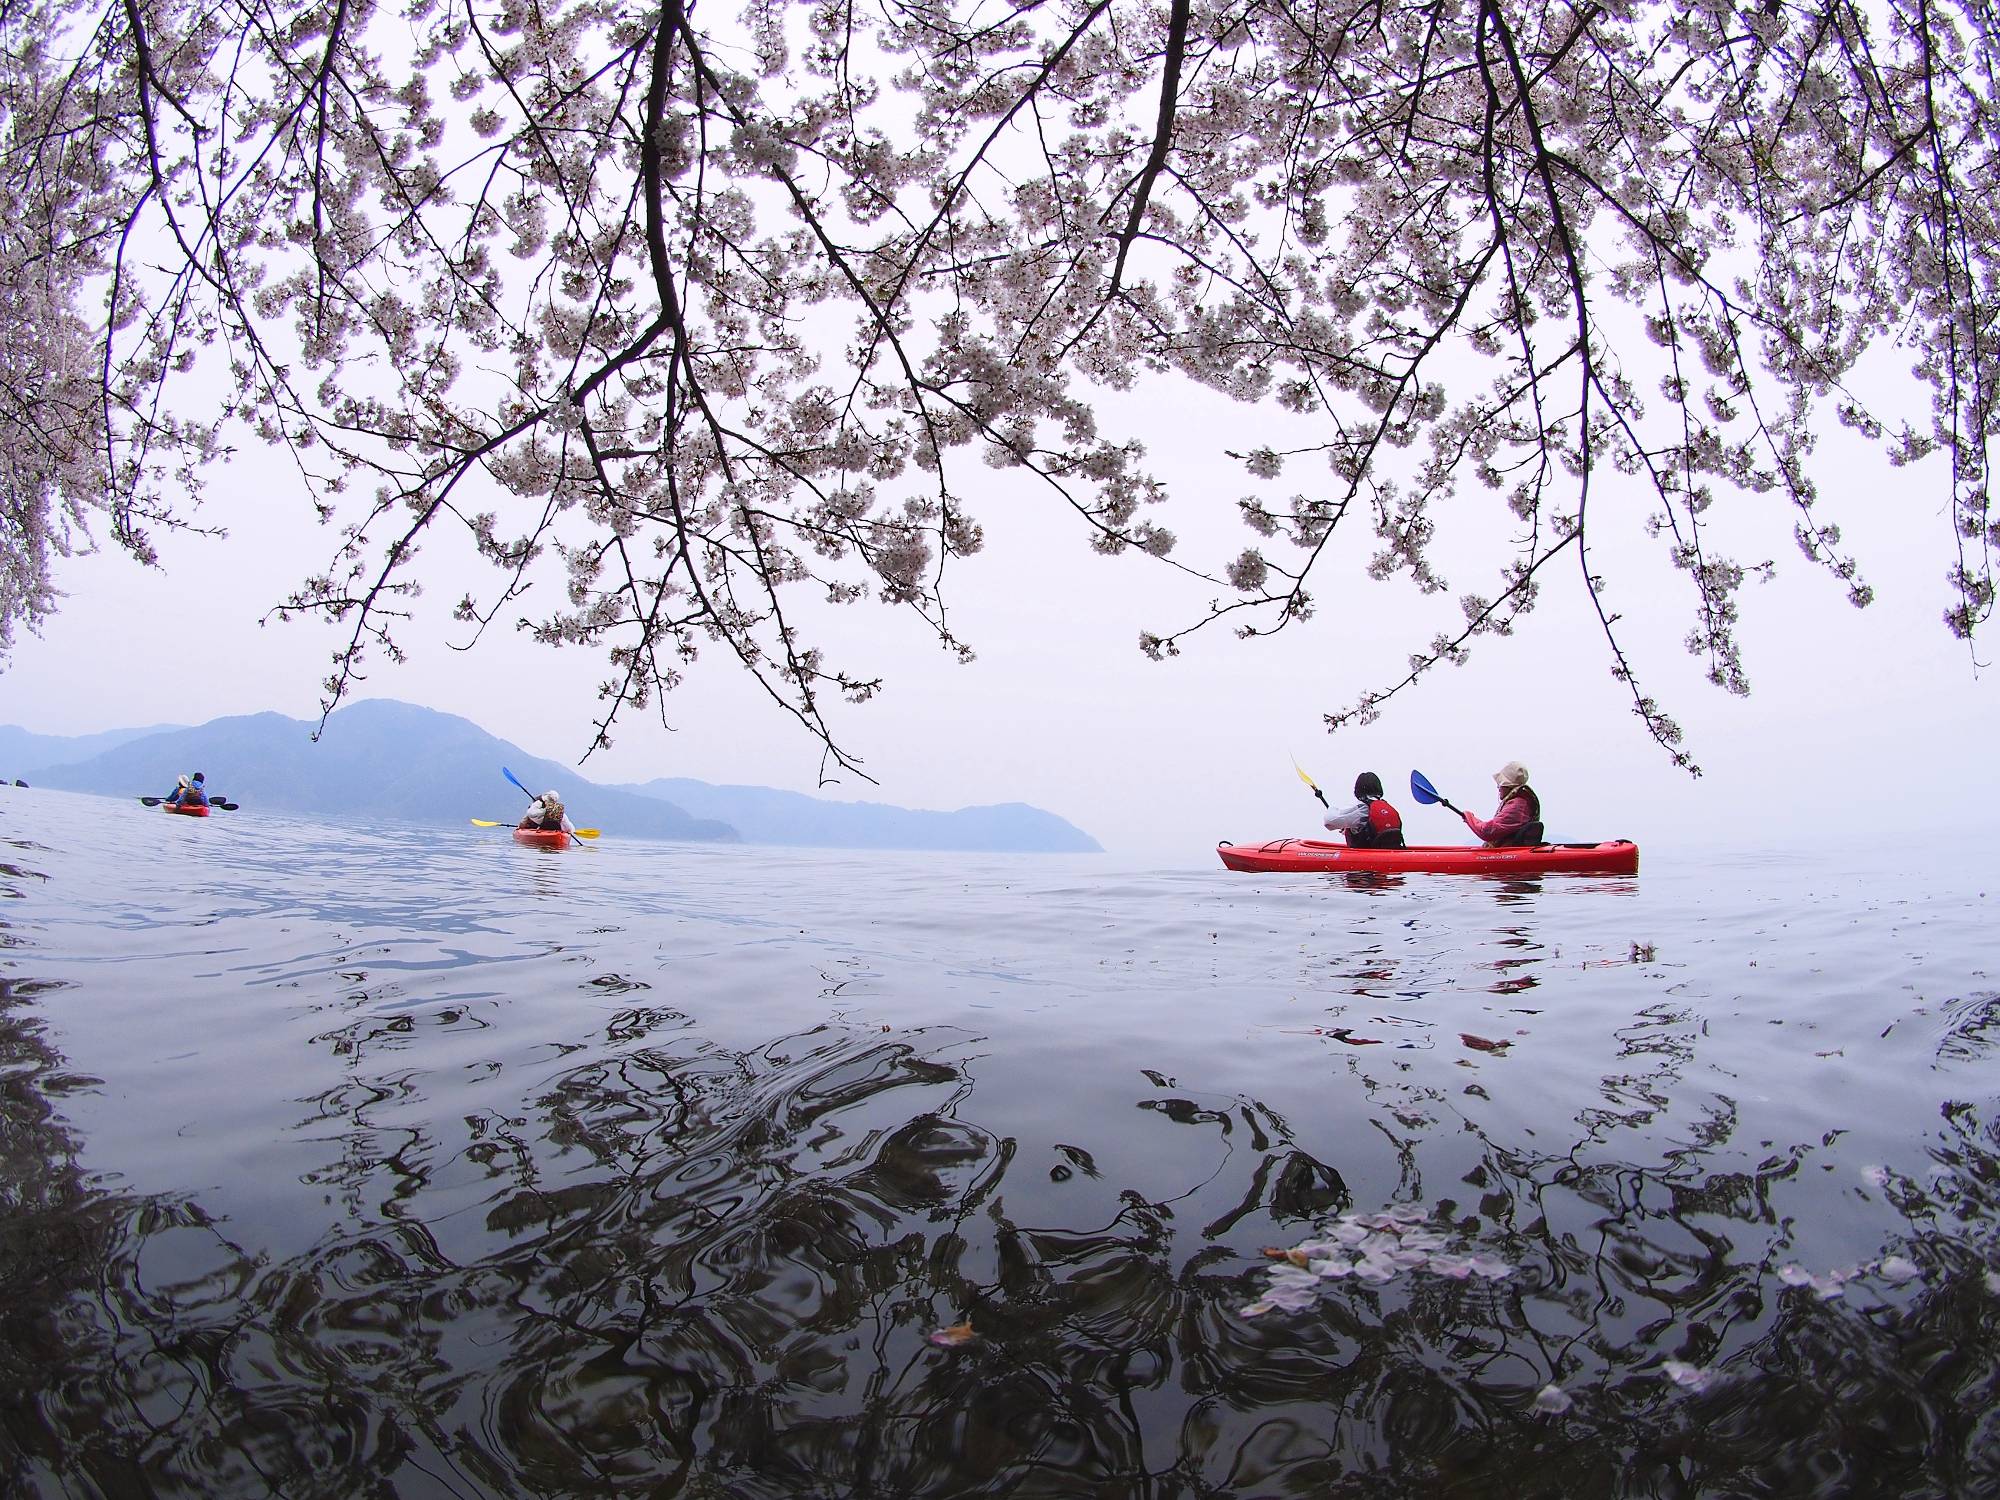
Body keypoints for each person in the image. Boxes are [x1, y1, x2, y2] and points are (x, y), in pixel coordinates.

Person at [1463, 761, 1545, 846]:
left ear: (1508, 786)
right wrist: (1473, 819)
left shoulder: (1518, 805)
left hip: (1509, 855)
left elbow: (1488, 831)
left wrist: (1469, 817)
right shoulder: (1520, 802)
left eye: (1500, 784)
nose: (1498, 787)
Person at [1323, 771, 1405, 849]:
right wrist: (1350, 828)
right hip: (1391, 854)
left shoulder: (1361, 809)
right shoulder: (1387, 806)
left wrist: (1332, 809)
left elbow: (1329, 821)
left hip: (1368, 857)